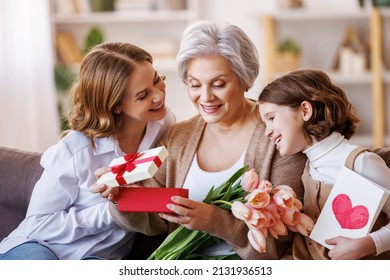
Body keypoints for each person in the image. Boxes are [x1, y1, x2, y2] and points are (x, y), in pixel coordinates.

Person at [94, 21, 307, 259]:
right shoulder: (178, 137)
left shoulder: (279, 136)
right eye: (195, 84)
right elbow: (153, 221)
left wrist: (213, 220)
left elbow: (282, 239)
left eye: (218, 84)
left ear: (245, 79)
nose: (205, 97)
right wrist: (122, 198)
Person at [0, 42, 176, 260]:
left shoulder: (163, 124)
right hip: (40, 247)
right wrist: (113, 212)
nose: (158, 95)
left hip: (99, 259)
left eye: (156, 79)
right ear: (115, 105)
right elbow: (38, 225)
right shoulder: (76, 150)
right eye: (143, 95)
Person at [258, 68, 390, 259]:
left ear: (305, 110)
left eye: (271, 118)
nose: (267, 132)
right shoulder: (306, 167)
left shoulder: (361, 162)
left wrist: (367, 244)